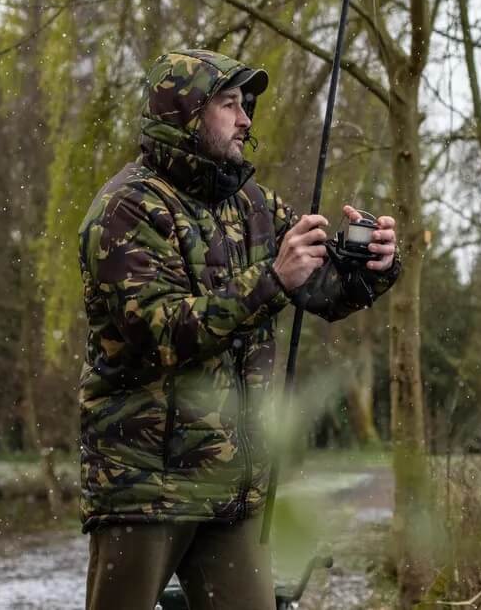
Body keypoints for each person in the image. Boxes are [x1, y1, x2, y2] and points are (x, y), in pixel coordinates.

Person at [77, 49, 400, 610]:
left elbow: (319, 290)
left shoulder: (252, 205)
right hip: (145, 488)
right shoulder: (125, 210)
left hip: (232, 490)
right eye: (229, 104)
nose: (246, 119)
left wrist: (370, 264)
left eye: (244, 105)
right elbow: (160, 333)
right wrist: (271, 280)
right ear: (185, 113)